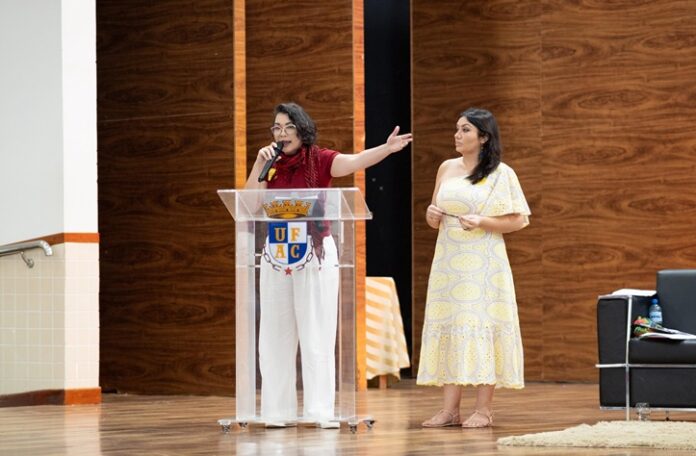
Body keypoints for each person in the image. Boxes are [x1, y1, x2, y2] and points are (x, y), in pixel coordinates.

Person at [244, 102, 412, 428]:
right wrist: (258, 165)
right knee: (274, 334)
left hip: (315, 252)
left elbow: (355, 161)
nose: (281, 134)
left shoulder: (319, 159)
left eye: (288, 127)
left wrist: (387, 148)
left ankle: (319, 411)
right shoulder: (270, 164)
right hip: (276, 254)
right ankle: (276, 412)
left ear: (302, 130)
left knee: (316, 332)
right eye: (276, 128)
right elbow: (249, 205)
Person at [417, 108, 530, 429]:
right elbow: (434, 213)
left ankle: (483, 409)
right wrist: (431, 216)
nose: (458, 134)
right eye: (457, 128)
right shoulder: (446, 167)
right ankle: (449, 410)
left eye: (465, 129)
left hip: (484, 262)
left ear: (483, 137)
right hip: (448, 261)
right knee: (451, 323)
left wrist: (483, 221)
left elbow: (518, 219)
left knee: (482, 324)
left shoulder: (501, 173)